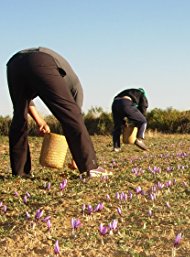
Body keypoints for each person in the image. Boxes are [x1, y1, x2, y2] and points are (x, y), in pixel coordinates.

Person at [6, 47, 112, 178]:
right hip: (40, 59)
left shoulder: (64, 76)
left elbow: (27, 103)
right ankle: (91, 167)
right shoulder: (76, 87)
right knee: (72, 114)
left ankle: (20, 171)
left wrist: (39, 121)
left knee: (19, 115)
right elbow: (73, 119)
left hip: (14, 63)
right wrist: (79, 156)